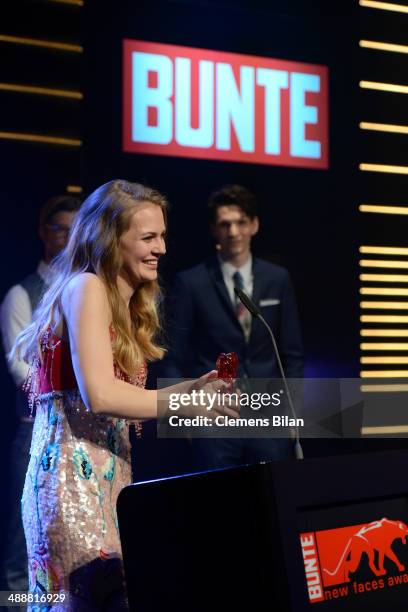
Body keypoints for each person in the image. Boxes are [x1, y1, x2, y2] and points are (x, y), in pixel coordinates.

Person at [12, 180, 235, 611]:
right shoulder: (86, 287)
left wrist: (193, 390)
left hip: (107, 484)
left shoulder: (116, 301)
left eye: (163, 236)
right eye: (149, 237)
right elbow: (100, 395)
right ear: (111, 239)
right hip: (72, 487)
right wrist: (184, 402)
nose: (163, 249)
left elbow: (116, 395)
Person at [161, 184, 304, 468]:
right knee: (220, 506)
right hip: (214, 417)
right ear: (214, 229)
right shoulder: (192, 283)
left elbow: (292, 355)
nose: (234, 232)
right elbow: (172, 357)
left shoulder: (278, 278)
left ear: (254, 225)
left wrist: (292, 414)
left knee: (272, 504)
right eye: (225, 224)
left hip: (268, 416)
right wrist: (183, 418)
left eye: (241, 222)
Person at [0, 195, 80, 602]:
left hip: (80, 436)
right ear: (42, 233)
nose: (66, 238)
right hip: (36, 431)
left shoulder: (85, 289)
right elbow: (19, 367)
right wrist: (65, 394)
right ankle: (16, 603)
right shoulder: (22, 293)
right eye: (58, 229)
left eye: (74, 229)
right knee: (25, 534)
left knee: (70, 536)